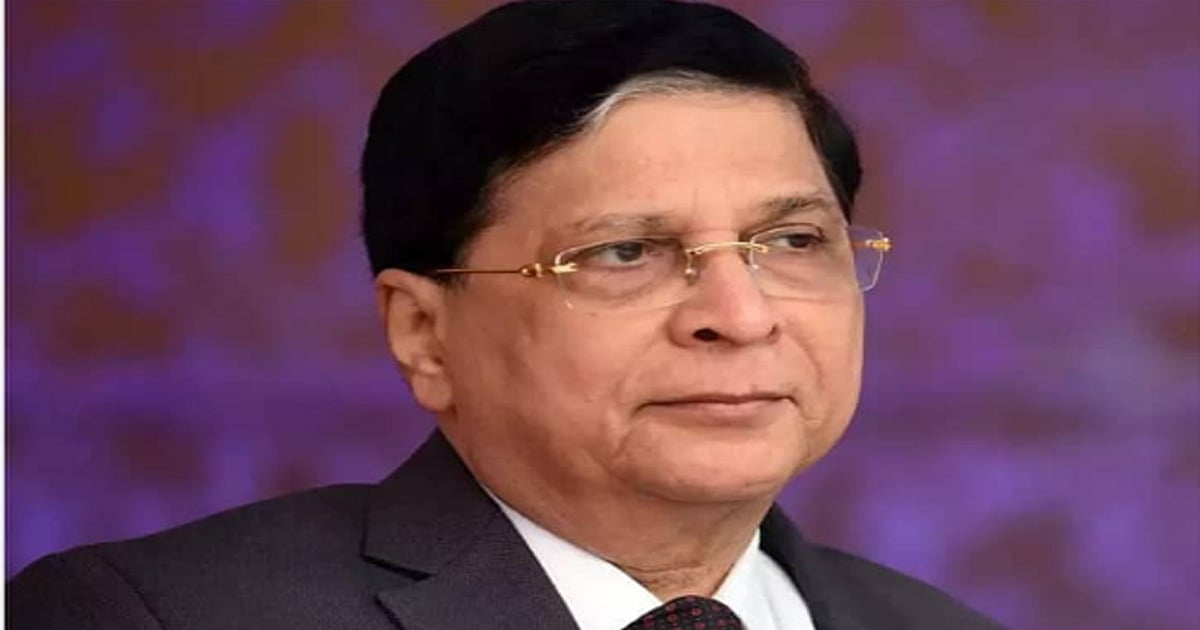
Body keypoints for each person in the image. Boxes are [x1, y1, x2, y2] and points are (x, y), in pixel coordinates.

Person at [8, 1, 1005, 628]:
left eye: (790, 242)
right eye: (626, 252)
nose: (739, 317)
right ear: (423, 333)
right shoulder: (158, 615)